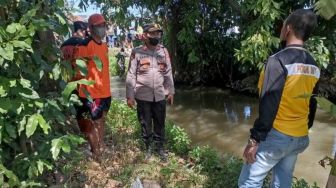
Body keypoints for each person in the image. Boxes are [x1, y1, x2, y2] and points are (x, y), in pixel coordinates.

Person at [238, 9, 319, 188]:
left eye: (283, 25)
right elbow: (312, 102)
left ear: (288, 29)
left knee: (249, 182)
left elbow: (269, 104)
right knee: (282, 182)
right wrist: (305, 127)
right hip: (299, 135)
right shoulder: (313, 65)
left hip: (277, 135)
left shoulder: (278, 61)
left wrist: (254, 140)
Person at [126, 23, 175, 162]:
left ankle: (159, 148)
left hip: (160, 94)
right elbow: (131, 74)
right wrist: (130, 96)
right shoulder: (136, 52)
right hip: (142, 96)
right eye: (153, 34)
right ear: (145, 35)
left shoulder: (164, 52)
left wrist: (171, 91)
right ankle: (148, 147)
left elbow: (168, 72)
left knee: (160, 123)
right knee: (145, 123)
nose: (156, 36)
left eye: (158, 34)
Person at [74, 14, 111, 158]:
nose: (102, 28)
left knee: (102, 120)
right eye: (98, 26)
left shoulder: (105, 46)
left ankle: (101, 145)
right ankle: (96, 151)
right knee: (93, 123)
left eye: (103, 25)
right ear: (90, 28)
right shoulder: (84, 46)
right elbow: (78, 72)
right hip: (91, 93)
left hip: (105, 91)